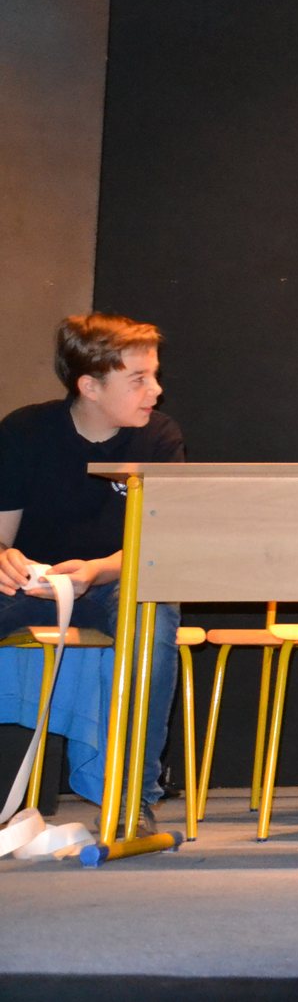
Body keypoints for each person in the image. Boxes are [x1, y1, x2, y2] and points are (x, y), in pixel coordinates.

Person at [0, 314, 183, 834]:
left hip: (113, 583)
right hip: (34, 585)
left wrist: (97, 572)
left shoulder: (161, 437)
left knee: (151, 609)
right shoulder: (26, 431)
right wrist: (4, 559)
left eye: (154, 375)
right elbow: (2, 536)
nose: (156, 390)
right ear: (90, 386)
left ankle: (133, 797)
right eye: (139, 379)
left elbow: (159, 544)